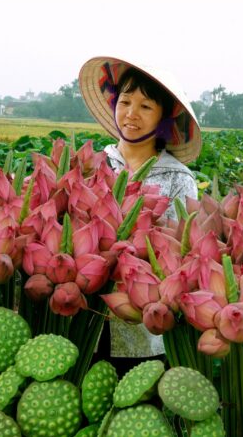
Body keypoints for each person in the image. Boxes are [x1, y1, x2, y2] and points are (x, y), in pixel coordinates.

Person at [78, 55, 202, 375]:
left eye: (146, 106)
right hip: (83, 320)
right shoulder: (92, 164)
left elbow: (182, 254)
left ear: (163, 116)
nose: (132, 114)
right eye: (125, 101)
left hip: (144, 329)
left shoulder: (178, 178)